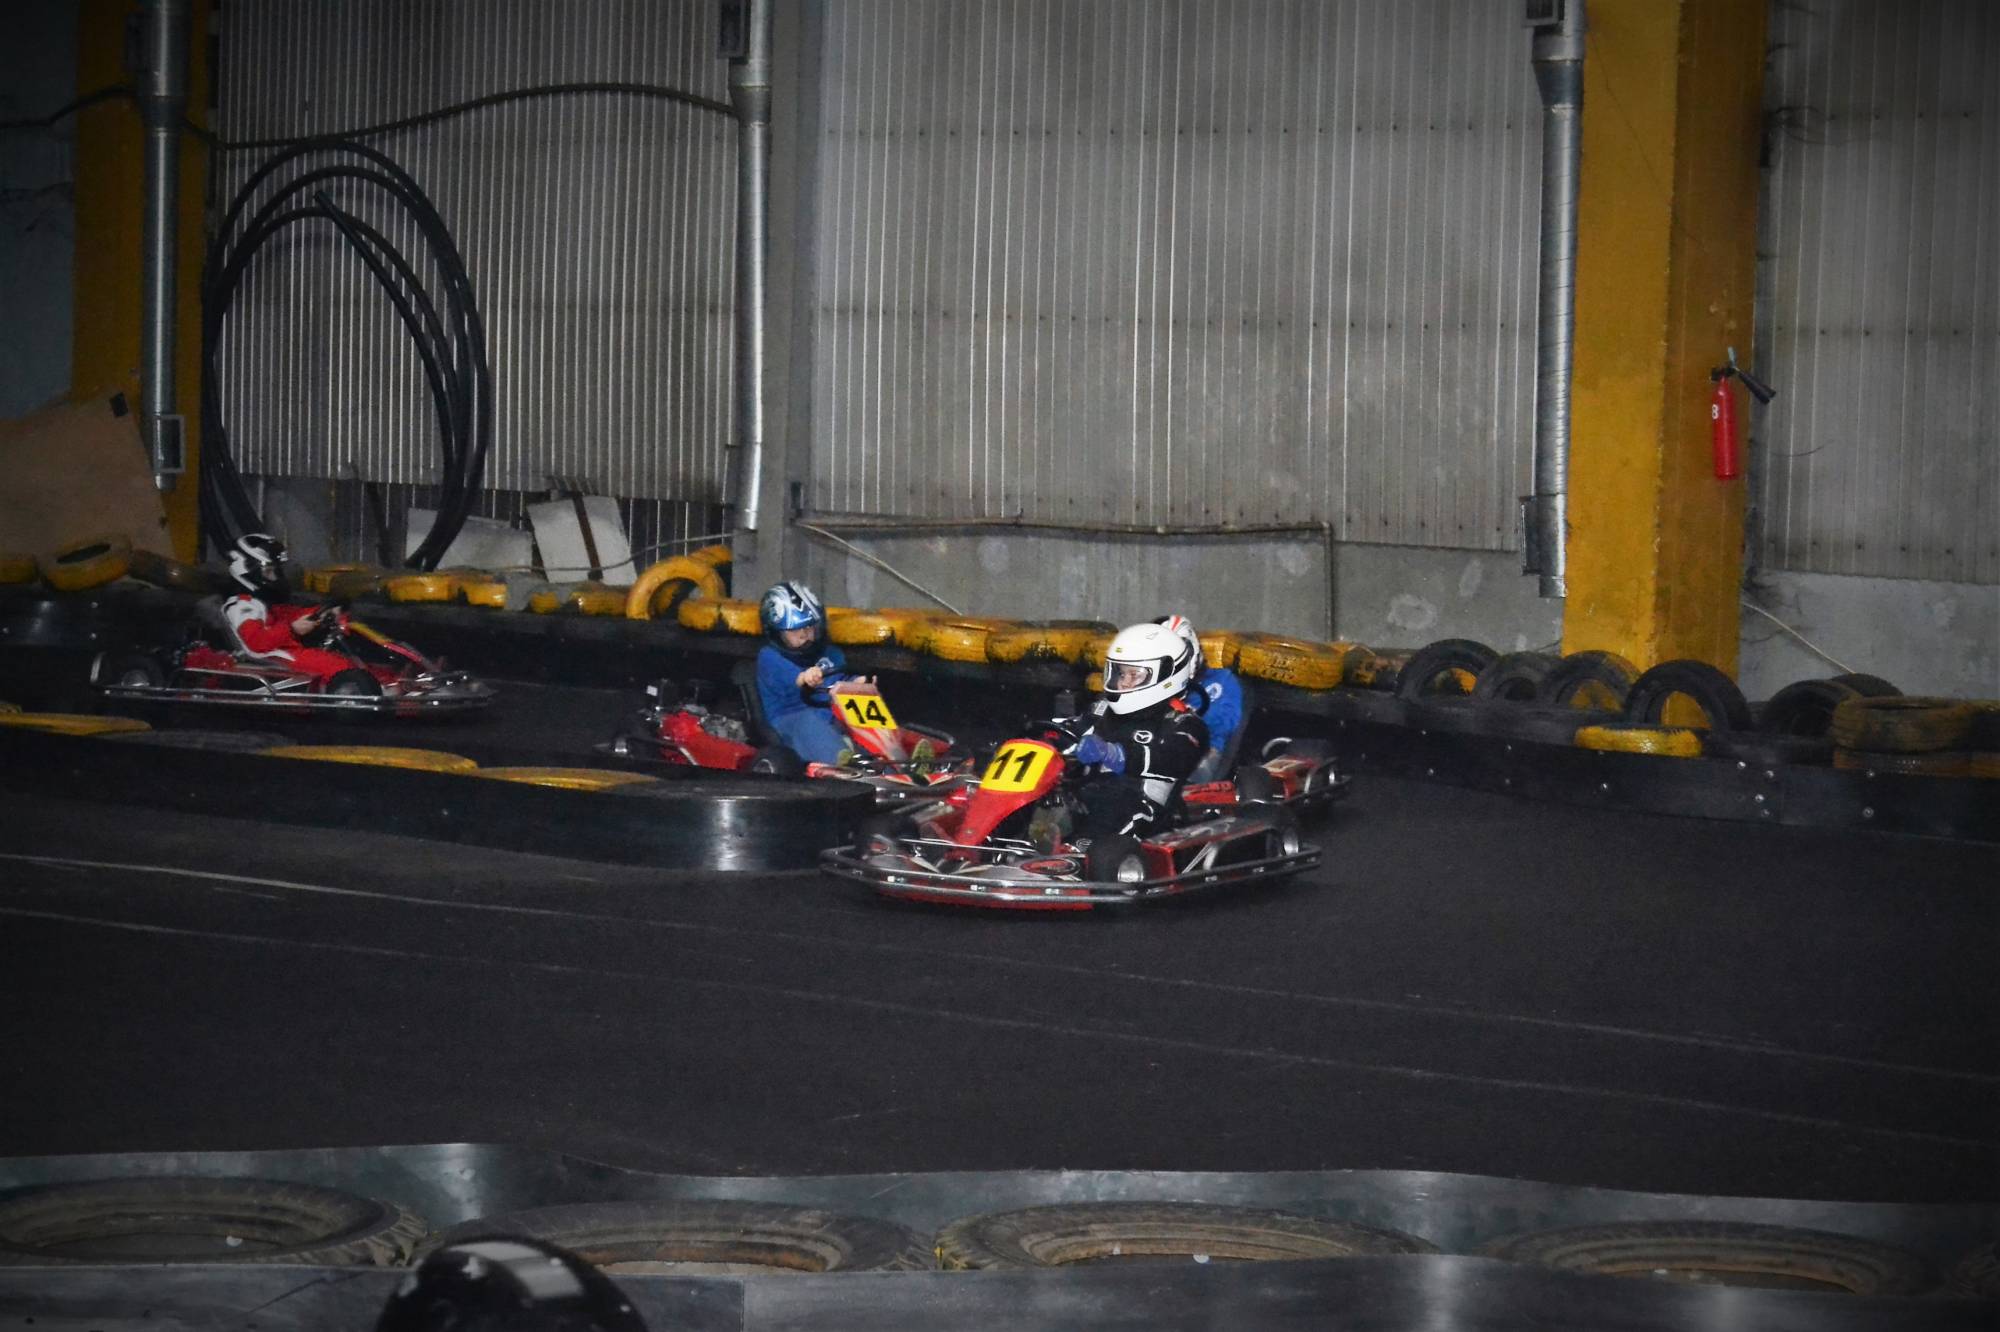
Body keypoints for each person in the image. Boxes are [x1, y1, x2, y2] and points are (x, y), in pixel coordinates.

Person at [1061, 619, 1210, 841]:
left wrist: (1116, 754)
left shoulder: (1184, 723)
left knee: (1113, 811)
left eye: (1134, 675)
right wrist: (1045, 740)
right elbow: (1069, 733)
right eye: (1121, 674)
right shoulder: (1102, 711)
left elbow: (1173, 759)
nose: (1123, 683)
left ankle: (1077, 852)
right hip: (1086, 794)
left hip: (1142, 808)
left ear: (1165, 676)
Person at [217, 533, 353, 679]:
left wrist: (322, 612)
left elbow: (287, 614)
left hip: (281, 651)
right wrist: (291, 629)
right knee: (340, 668)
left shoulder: (260, 603)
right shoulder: (241, 606)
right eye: (269, 572)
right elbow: (257, 642)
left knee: (348, 662)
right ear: (247, 571)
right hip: (269, 658)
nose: (276, 578)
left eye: (277, 572)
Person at [754, 580, 854, 766]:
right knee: (809, 723)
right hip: (789, 719)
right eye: (794, 630)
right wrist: (805, 677)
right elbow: (794, 678)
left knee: (859, 711)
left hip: (829, 715)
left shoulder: (831, 654)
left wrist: (858, 684)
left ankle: (894, 761)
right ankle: (845, 767)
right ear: (777, 633)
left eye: (809, 627)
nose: (804, 634)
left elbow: (842, 679)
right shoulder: (769, 657)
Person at [1158, 614, 1244, 783]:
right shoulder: (1154, 688)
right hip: (1154, 749)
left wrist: (1188, 718)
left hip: (1205, 752)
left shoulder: (1222, 680)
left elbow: (1228, 721)